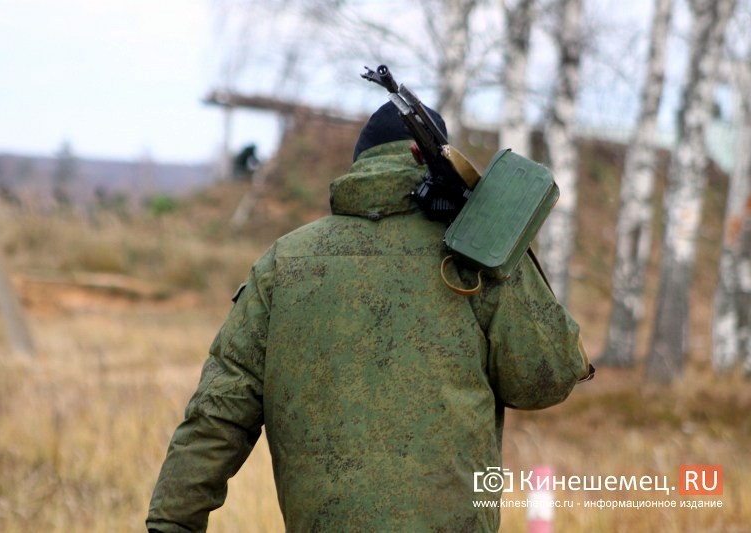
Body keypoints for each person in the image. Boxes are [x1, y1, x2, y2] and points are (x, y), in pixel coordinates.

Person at [146, 101, 592, 532]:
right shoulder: (471, 260)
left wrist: (172, 522)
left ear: (360, 168)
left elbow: (218, 414)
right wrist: (503, 250)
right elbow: (547, 377)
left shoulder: (284, 264)